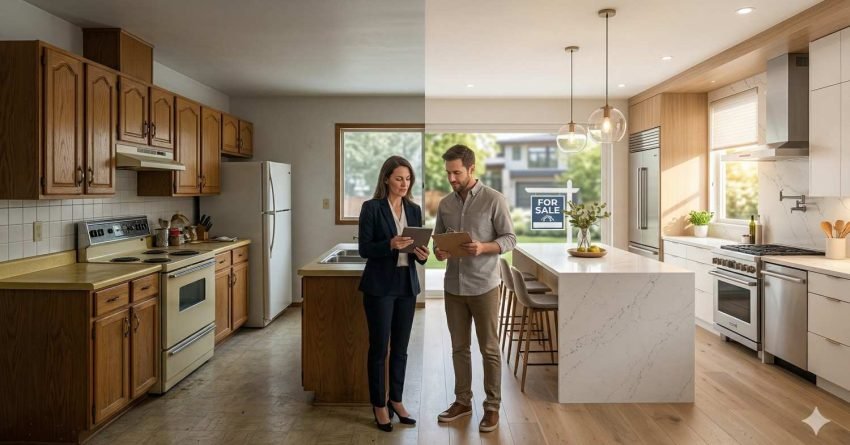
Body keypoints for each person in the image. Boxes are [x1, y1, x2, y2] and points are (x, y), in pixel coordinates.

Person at [433, 144, 516, 433]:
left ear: (471, 169)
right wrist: (440, 251)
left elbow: (509, 239)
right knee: (459, 348)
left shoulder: (494, 199)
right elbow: (438, 241)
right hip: (453, 287)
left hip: (484, 286)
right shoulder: (445, 204)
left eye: (456, 172)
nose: (452, 178)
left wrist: (483, 247)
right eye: (448, 173)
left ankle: (492, 407)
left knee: (489, 349)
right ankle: (462, 401)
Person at [358, 155, 430, 432]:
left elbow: (418, 255)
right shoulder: (372, 208)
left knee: (401, 349)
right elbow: (365, 248)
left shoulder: (413, 209)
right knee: (379, 349)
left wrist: (422, 254)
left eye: (408, 178)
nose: (404, 183)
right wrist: (389, 243)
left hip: (406, 285)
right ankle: (379, 404)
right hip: (379, 287)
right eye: (399, 178)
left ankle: (396, 400)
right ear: (386, 178)